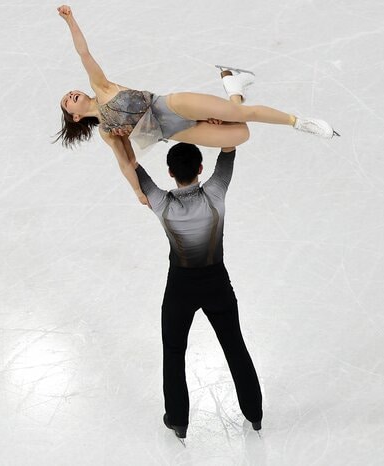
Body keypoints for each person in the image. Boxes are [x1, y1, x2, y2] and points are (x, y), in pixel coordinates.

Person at [53, 4, 339, 206]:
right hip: (176, 132)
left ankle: (298, 122)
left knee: (242, 114)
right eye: (66, 102)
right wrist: (138, 193)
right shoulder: (107, 132)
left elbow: (84, 53)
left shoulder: (101, 87)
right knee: (240, 134)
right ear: (75, 117)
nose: (70, 95)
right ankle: (233, 85)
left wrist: (70, 21)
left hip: (174, 106)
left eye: (69, 93)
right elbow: (126, 163)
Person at [131, 83, 263, 440]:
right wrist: (225, 113)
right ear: (201, 167)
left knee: (174, 352)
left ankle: (178, 420)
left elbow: (132, 167)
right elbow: (230, 147)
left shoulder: (161, 203)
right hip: (218, 283)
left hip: (180, 288)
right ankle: (254, 413)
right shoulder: (216, 192)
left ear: (170, 173)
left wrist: (120, 136)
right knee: (234, 347)